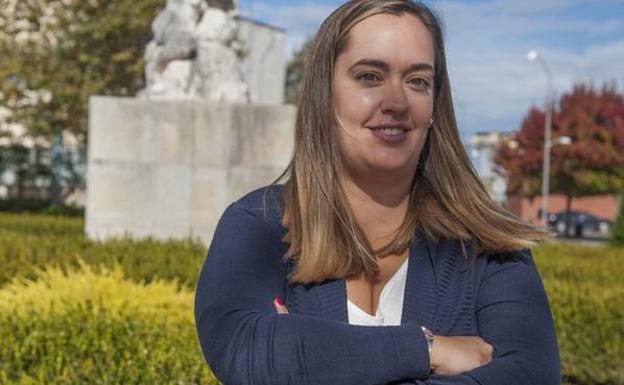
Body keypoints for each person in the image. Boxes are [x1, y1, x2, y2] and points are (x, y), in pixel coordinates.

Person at [194, 1, 561, 384]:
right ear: (325, 94)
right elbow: (247, 350)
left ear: (435, 103)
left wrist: (308, 358)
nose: (396, 102)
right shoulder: (261, 224)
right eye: (370, 76)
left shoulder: (489, 247)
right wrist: (426, 350)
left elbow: (531, 375)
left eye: (417, 81)